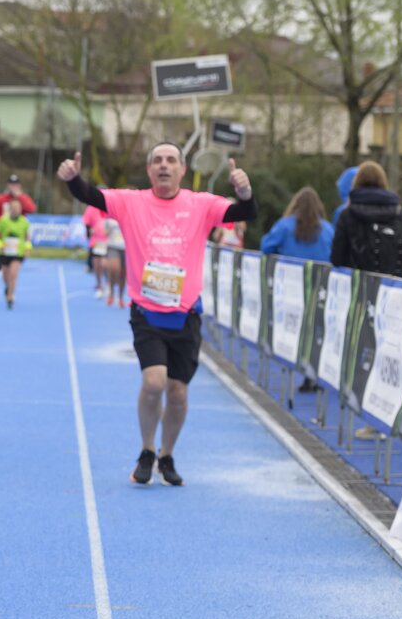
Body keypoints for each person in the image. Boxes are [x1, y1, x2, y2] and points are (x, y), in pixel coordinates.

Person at [60, 144, 256, 486]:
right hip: (147, 313)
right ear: (149, 170)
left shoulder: (201, 204)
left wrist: (244, 192)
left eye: (171, 160)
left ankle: (167, 454)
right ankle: (147, 449)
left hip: (186, 314)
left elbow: (245, 213)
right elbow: (91, 195)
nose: (164, 166)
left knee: (177, 392)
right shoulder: (131, 202)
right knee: (153, 382)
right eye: (157, 161)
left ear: (182, 169)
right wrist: (73, 179)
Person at [330, 161, 402, 278]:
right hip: (393, 283)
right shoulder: (399, 214)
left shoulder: (347, 214)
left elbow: (337, 257)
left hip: (357, 282)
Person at [260, 186, 334, 262]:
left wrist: (280, 255)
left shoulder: (284, 225)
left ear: (296, 205)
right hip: (320, 269)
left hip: (288, 268)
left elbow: (266, 248)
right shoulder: (329, 229)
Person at [0, 197, 30, 310]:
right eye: (13, 207)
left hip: (17, 253)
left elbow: (27, 237)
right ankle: (8, 287)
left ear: (21, 209)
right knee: (6, 276)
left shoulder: (24, 221)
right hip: (5, 252)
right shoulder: (3, 220)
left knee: (13, 274)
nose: (15, 209)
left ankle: (10, 297)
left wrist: (27, 248)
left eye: (17, 207)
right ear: (9, 208)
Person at [83, 203, 110, 298]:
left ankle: (107, 283)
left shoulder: (109, 205)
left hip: (107, 241)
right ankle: (99, 286)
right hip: (96, 242)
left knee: (105, 264)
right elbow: (87, 223)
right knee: (97, 265)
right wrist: (89, 231)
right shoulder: (91, 208)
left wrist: (110, 231)